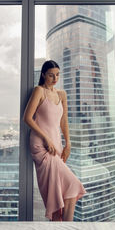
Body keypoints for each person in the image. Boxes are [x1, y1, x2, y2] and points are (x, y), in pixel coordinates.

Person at [23, 59, 87, 221]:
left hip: (56, 145)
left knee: (68, 191)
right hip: (41, 146)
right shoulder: (39, 91)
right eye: (51, 75)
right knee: (72, 184)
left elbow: (63, 120)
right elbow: (27, 118)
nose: (55, 78)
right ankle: (66, 228)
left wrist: (68, 143)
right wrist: (45, 138)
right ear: (44, 75)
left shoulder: (61, 94)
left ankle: (64, 228)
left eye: (57, 75)